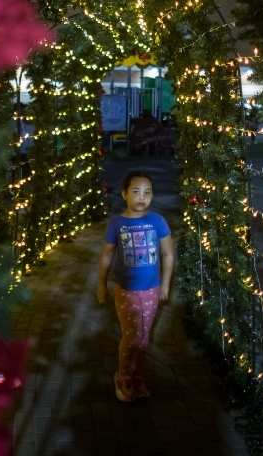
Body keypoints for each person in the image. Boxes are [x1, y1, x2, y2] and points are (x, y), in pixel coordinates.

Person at [96, 170, 175, 402]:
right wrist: (102, 285)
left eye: (147, 192)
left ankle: (137, 376)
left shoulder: (158, 222)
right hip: (125, 288)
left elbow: (168, 254)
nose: (142, 197)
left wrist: (165, 285)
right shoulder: (117, 223)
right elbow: (106, 257)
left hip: (151, 289)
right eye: (136, 191)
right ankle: (123, 377)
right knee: (131, 336)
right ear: (124, 194)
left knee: (144, 337)